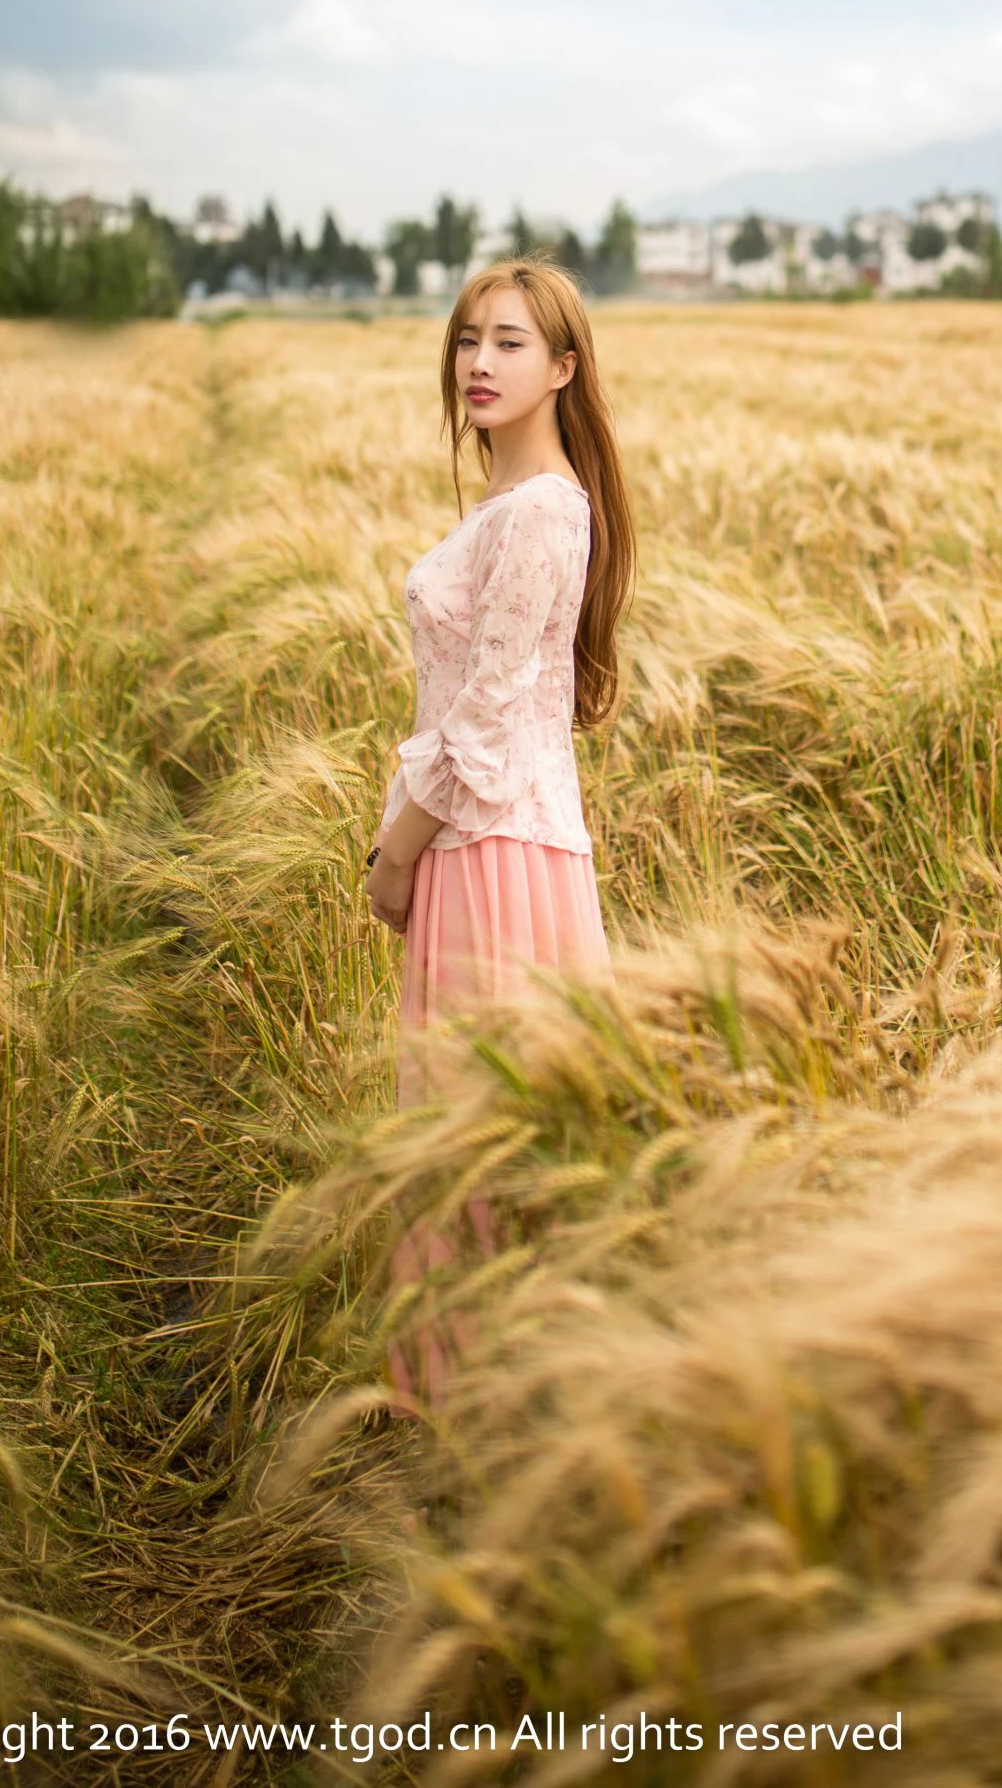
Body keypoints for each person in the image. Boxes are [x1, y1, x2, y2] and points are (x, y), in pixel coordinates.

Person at [365, 258, 634, 1400]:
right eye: (469, 337)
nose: (478, 361)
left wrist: (395, 849)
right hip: (492, 842)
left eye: (510, 342)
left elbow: (481, 719)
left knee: (484, 1130)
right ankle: (491, 1391)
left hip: (493, 852)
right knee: (484, 1125)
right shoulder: (520, 507)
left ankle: (490, 1390)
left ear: (564, 367)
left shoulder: (542, 510)